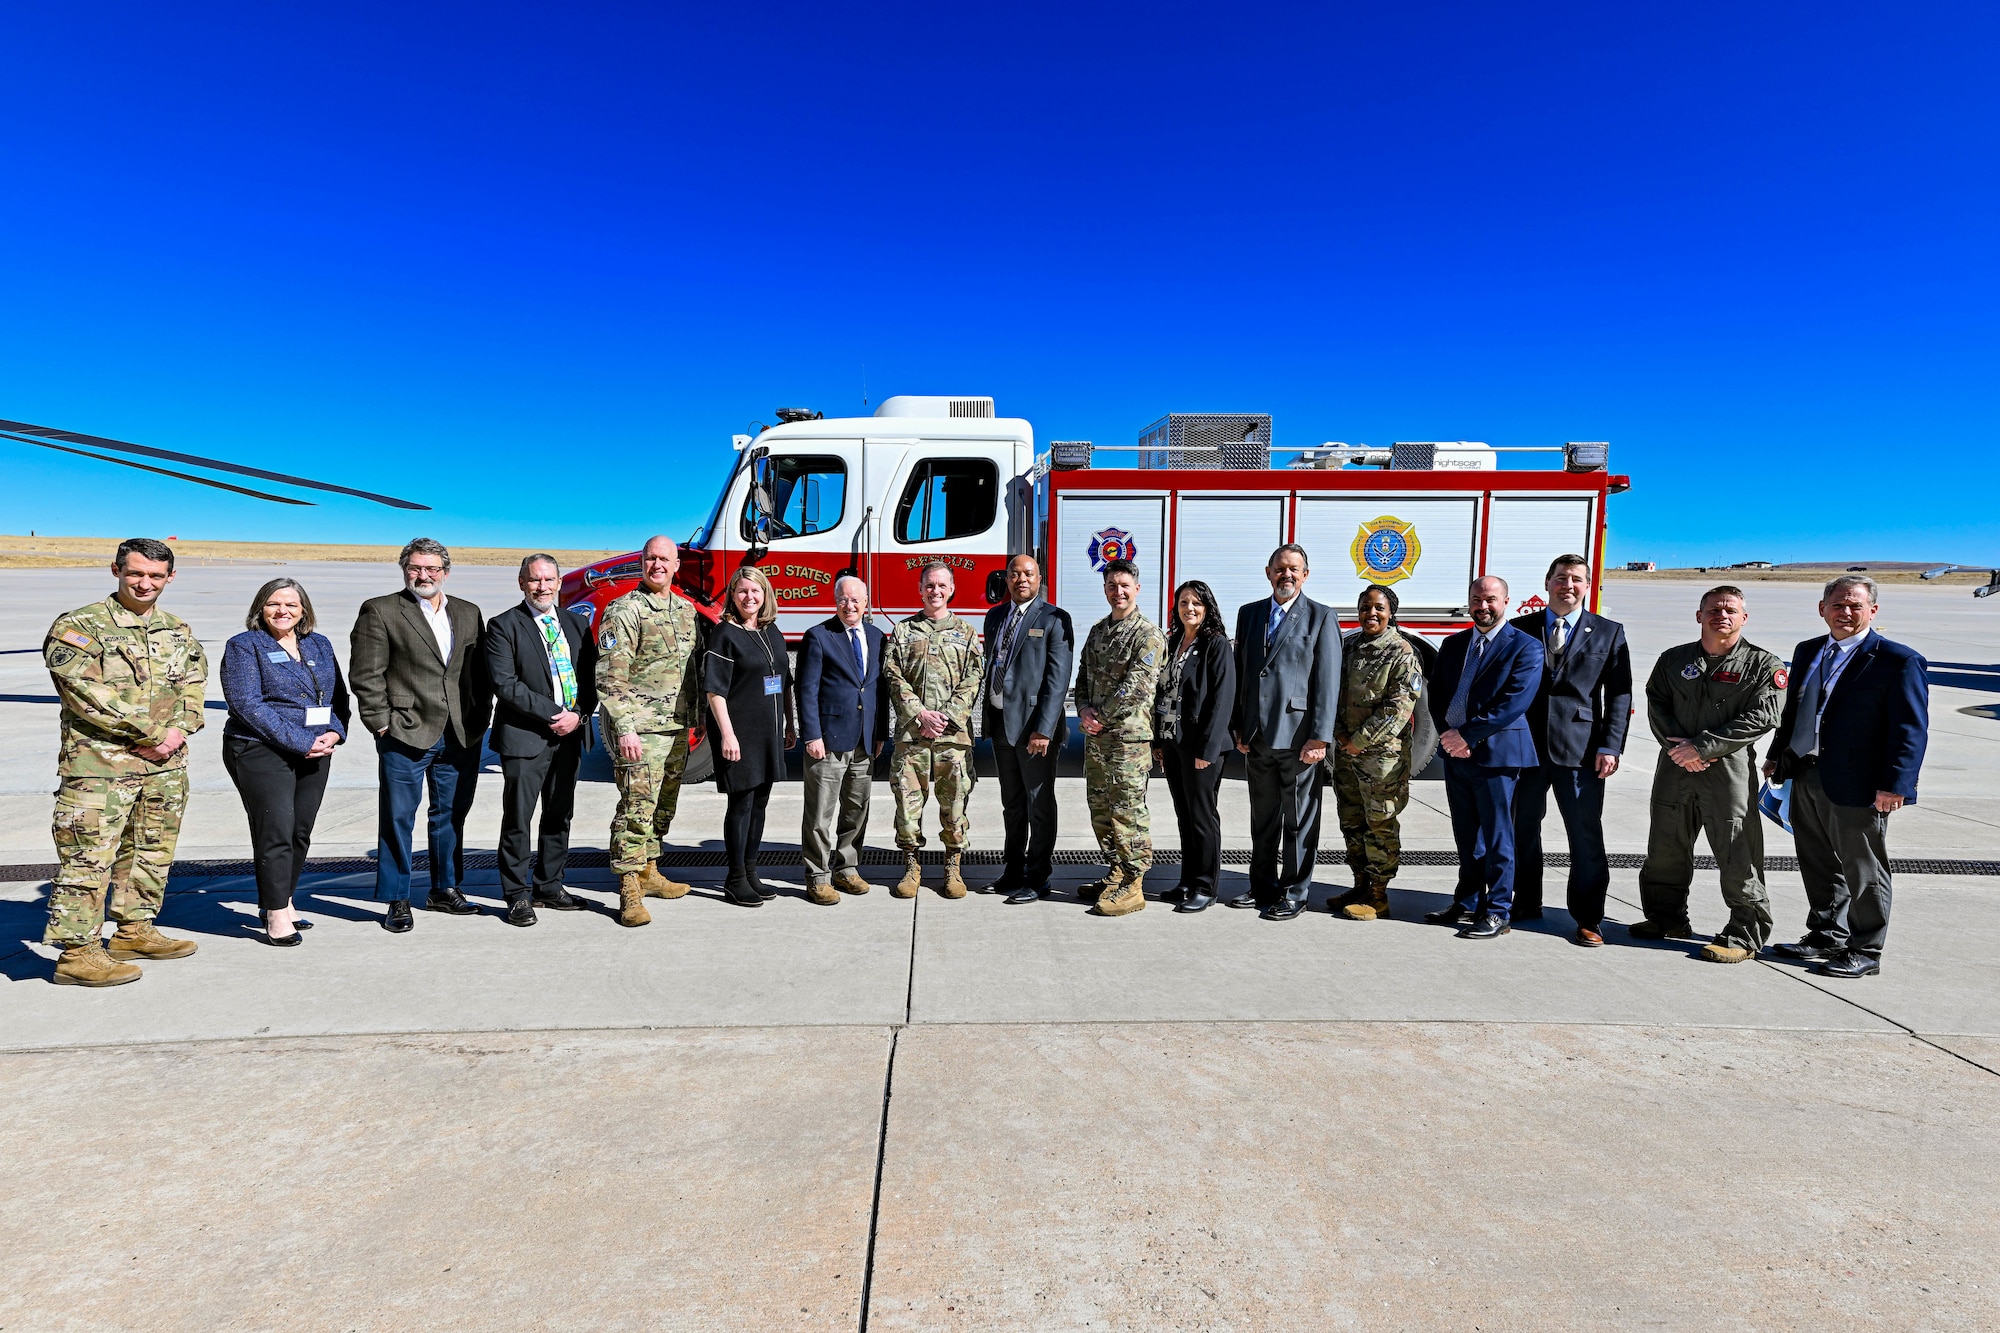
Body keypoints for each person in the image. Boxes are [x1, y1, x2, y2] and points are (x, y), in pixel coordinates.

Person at [40, 537, 208, 986]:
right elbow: (86, 694)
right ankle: (77, 954)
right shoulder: (81, 626)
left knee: (151, 851)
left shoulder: (177, 629)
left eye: (155, 575)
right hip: (100, 769)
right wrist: (153, 735)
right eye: (135, 573)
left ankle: (134, 931)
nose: (144, 583)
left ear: (170, 577)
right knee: (88, 858)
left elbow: (194, 683)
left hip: (165, 766)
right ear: (115, 570)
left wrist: (178, 733)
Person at [1764, 576, 1929, 978]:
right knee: (1816, 860)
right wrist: (1777, 756)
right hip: (1806, 772)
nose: (1846, 612)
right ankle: (1825, 935)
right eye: (1837, 604)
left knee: (1863, 867)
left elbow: (1910, 728)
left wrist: (1897, 785)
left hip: (1859, 781)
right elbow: (1795, 712)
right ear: (1822, 609)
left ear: (1873, 610)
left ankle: (1867, 949)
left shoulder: (1897, 660)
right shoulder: (1808, 651)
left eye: (1856, 605)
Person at [1630, 585, 1784, 962]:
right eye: (1714, 609)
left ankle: (1744, 934)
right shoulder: (1673, 660)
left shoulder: (1764, 665)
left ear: (1744, 618)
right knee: (1665, 846)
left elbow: (1763, 717)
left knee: (1737, 851)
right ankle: (1666, 918)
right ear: (1699, 616)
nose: (1722, 615)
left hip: (1726, 771)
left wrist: (1702, 747)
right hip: (1675, 766)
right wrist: (1678, 749)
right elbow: (1657, 704)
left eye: (1731, 609)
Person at [350, 537, 491, 933]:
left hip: (461, 734)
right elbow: (365, 675)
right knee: (398, 819)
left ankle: (444, 889)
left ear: (445, 572)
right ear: (404, 569)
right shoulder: (380, 610)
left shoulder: (467, 612)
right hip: (405, 733)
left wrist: (481, 716)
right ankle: (397, 897)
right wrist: (381, 723)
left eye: (432, 568)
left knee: (450, 816)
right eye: (415, 567)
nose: (423, 575)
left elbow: (478, 673)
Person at [1508, 555, 1633, 946]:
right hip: (1526, 747)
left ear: (1587, 586)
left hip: (1581, 750)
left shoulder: (1609, 632)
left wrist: (1611, 745)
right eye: (1561, 578)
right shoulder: (1520, 628)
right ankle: (1526, 901)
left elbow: (1619, 694)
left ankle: (1588, 917)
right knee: (1521, 829)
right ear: (1547, 583)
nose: (1568, 585)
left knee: (1584, 834)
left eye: (1577, 579)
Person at [221, 577, 349, 946]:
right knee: (275, 829)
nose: (283, 611)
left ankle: (283, 899)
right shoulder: (245, 646)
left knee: (300, 830)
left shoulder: (318, 643)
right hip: (260, 748)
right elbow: (246, 704)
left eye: (291, 605)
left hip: (316, 747)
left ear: (303, 610)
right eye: (274, 604)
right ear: (260, 608)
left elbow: (336, 695)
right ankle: (275, 914)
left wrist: (335, 732)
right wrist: (301, 741)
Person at [1423, 575, 1544, 940]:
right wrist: (1448, 733)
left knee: (1497, 836)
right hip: (1457, 754)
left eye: (1491, 599)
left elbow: (1514, 701)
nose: (1483, 606)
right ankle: (1468, 900)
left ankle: (1498, 911)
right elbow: (1438, 692)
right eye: (1477, 599)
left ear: (1506, 602)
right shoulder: (1454, 644)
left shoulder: (1525, 647)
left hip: (1497, 755)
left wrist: (1467, 735)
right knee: (1466, 834)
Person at [1229, 543, 1341, 921]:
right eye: (1280, 569)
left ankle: (1295, 892)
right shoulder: (1250, 614)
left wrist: (1320, 737)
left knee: (1298, 821)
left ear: (1305, 575)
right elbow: (1244, 673)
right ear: (1268, 572)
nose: (1286, 575)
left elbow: (1327, 683)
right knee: (1262, 817)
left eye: (1294, 569)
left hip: (1299, 739)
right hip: (1257, 737)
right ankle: (1261, 885)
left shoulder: (1321, 618)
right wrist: (1239, 726)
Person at [485, 554, 598, 927]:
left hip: (570, 736)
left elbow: (591, 678)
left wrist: (579, 715)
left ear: (559, 582)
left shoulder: (577, 624)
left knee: (559, 815)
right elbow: (505, 684)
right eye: (534, 580)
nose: (542, 586)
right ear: (522, 584)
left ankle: (549, 885)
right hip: (526, 737)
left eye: (549, 579)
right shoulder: (503, 626)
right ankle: (516, 894)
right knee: (519, 818)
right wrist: (556, 715)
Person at [597, 536, 703, 927]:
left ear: (677, 565)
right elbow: (610, 677)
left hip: (677, 730)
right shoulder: (625, 610)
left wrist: (700, 716)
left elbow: (694, 672)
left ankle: (649, 871)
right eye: (650, 558)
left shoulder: (686, 611)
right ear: (642, 562)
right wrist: (624, 728)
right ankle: (628, 886)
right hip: (641, 731)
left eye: (664, 559)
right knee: (636, 807)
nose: (657, 564)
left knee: (663, 808)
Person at [882, 561, 984, 899]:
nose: (935, 591)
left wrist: (946, 716)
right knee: (908, 808)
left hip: (952, 740)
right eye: (929, 585)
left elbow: (973, 680)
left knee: (954, 806)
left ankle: (952, 868)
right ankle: (911, 866)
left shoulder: (967, 633)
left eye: (941, 585)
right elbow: (893, 676)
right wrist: (920, 714)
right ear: (920, 589)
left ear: (951, 589)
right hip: (912, 738)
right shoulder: (903, 631)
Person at [981, 554, 1075, 904]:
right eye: (1014, 574)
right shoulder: (995, 616)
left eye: (1028, 574)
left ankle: (1038, 878)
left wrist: (1044, 730)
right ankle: (1012, 871)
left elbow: (1057, 679)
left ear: (1040, 579)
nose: (1021, 579)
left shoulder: (1053, 619)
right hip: (1002, 725)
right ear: (1006, 579)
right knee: (1013, 803)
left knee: (1038, 803)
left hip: (1034, 730)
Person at [1077, 559, 1167, 918]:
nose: (1119, 592)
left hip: (1128, 742)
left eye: (1125, 585)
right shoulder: (1099, 632)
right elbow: (1082, 676)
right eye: (1112, 585)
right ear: (1105, 589)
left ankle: (1134, 883)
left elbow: (1137, 687)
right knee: (1101, 810)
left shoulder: (1148, 634)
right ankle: (1115, 871)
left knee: (1129, 812)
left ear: (1137, 589)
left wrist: (1098, 717)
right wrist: (1083, 710)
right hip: (1098, 740)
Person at [1327, 584, 1423, 923]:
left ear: (1390, 612)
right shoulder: (1349, 645)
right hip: (1346, 751)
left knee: (1379, 823)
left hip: (1382, 759)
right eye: (1365, 607)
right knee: (1351, 819)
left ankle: (1379, 895)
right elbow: (1332, 693)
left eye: (1379, 608)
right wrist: (1339, 734)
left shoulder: (1401, 652)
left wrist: (1359, 740)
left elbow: (1398, 709)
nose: (1371, 613)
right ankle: (1360, 884)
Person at [704, 565, 795, 908]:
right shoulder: (725, 633)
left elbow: (784, 681)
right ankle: (735, 878)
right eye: (742, 591)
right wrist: (727, 735)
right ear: (733, 595)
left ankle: (751, 870)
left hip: (768, 733)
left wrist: (790, 724)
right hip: (739, 733)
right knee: (740, 804)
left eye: (755, 591)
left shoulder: (772, 632)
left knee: (760, 803)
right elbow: (715, 690)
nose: (749, 597)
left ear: (765, 595)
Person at [798, 575, 891, 906]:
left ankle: (847, 868)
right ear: (834, 600)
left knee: (856, 810)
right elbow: (806, 689)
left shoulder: (878, 637)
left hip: (865, 741)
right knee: (820, 813)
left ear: (866, 602)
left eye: (855, 599)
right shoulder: (819, 637)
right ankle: (818, 876)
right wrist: (811, 735)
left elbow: (879, 690)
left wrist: (880, 733)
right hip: (829, 740)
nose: (849, 605)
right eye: (843, 599)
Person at [1152, 579, 1234, 913]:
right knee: (1184, 815)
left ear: (1207, 607)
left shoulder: (1216, 644)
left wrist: (1208, 750)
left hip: (1201, 746)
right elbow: (1163, 694)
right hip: (1174, 743)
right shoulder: (1174, 641)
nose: (1190, 608)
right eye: (1184, 603)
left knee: (1202, 817)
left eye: (1196, 603)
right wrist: (1158, 742)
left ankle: (1205, 887)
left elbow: (1222, 700)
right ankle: (1187, 881)